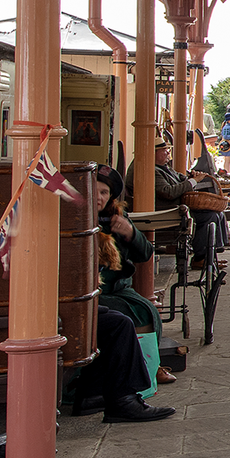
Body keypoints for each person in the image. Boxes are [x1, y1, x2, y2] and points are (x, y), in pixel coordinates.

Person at [79, 168, 174, 422]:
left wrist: (130, 234)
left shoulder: (115, 217)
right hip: (97, 294)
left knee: (143, 308)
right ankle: (131, 388)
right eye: (94, 190)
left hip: (119, 290)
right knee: (123, 318)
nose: (98, 197)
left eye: (104, 192)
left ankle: (148, 371)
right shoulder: (75, 221)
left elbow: (145, 253)